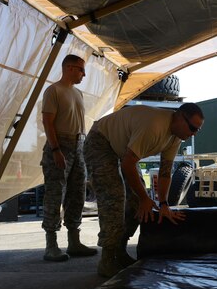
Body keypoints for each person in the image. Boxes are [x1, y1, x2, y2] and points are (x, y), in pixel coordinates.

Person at [84, 102, 203, 277]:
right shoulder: (154, 126)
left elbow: (165, 171)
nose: (193, 133)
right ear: (178, 117)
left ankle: (120, 250)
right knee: (114, 198)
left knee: (136, 203)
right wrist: (144, 198)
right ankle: (107, 260)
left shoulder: (176, 136)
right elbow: (128, 164)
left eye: (197, 130)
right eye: (192, 127)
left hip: (123, 150)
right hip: (101, 140)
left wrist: (163, 204)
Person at [40, 54, 97, 262]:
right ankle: (51, 245)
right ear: (70, 68)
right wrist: (56, 150)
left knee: (77, 194)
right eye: (81, 70)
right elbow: (48, 122)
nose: (84, 74)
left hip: (78, 145)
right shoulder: (53, 90)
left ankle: (74, 242)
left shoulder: (78, 93)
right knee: (55, 194)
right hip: (60, 145)